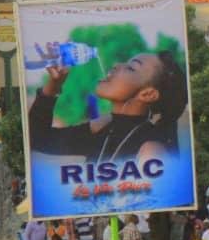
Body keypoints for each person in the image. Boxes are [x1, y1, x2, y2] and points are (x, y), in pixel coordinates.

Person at [27, 50, 189, 165]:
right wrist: (53, 86)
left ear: (147, 94)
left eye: (131, 68)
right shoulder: (105, 126)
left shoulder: (152, 150)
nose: (117, 65)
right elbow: (38, 140)